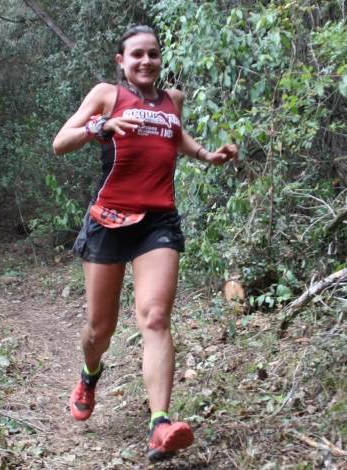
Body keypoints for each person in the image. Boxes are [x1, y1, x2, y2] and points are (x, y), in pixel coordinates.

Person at [51, 25, 238, 461]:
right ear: (121, 60)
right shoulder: (107, 94)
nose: (146, 61)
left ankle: (159, 424)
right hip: (109, 218)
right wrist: (101, 126)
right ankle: (89, 374)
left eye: (153, 54)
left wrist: (205, 155)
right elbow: (60, 143)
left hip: (158, 221)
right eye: (137, 54)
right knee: (100, 329)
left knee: (155, 317)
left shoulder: (174, 100)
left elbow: (174, 136)